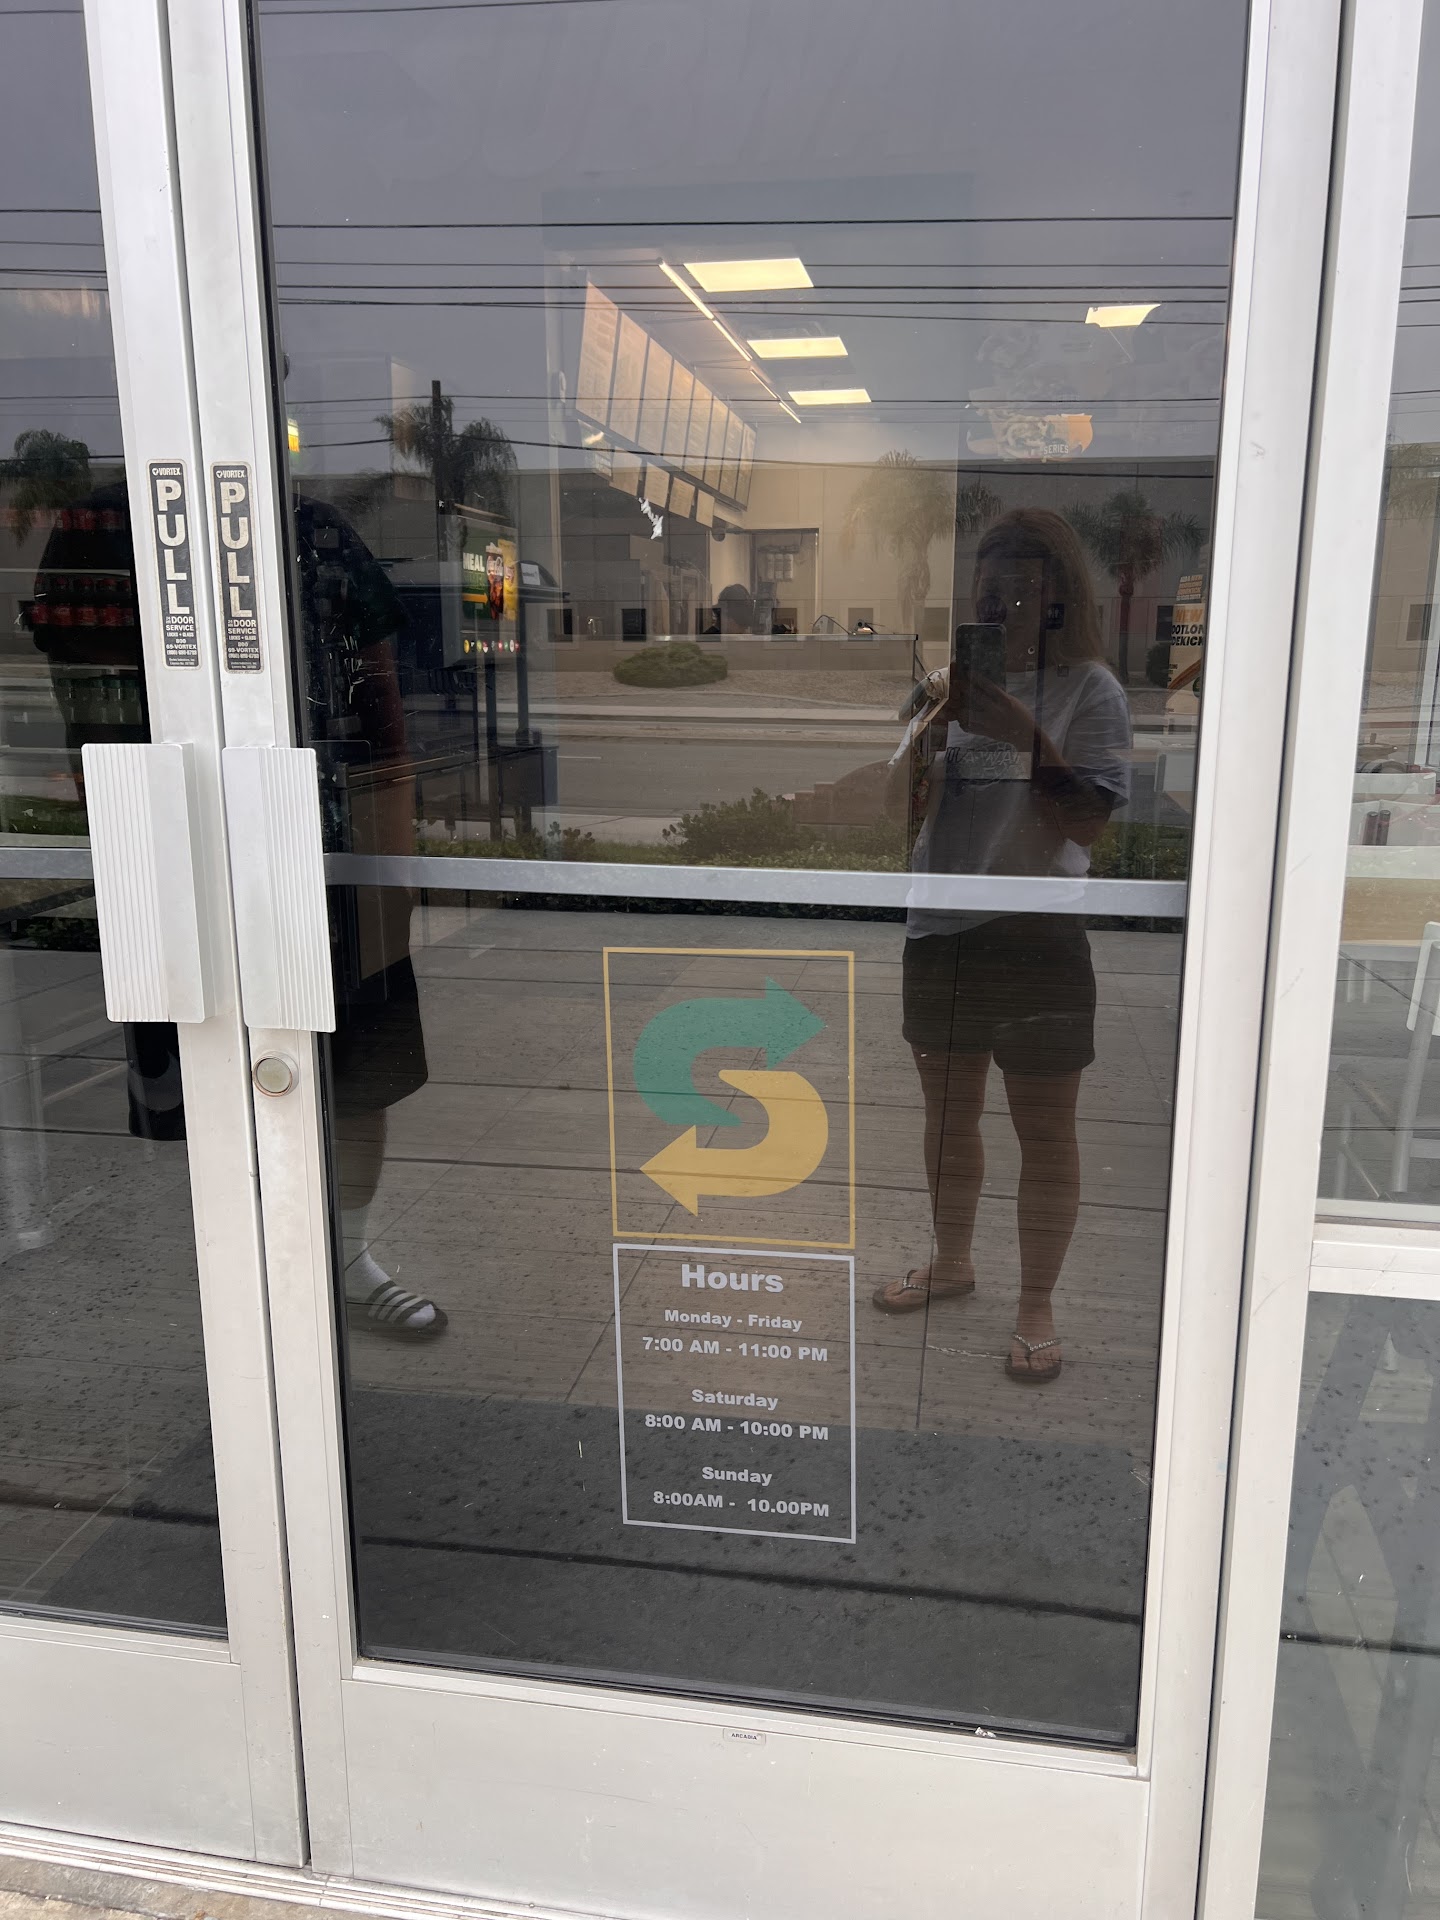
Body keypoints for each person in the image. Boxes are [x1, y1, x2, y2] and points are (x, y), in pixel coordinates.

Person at [28, 482, 447, 1338]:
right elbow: (76, 681)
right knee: (198, 1070)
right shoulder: (96, 526)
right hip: (165, 847)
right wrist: (116, 826)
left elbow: (380, 703)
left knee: (359, 1070)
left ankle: (347, 1261)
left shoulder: (313, 529)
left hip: (326, 844)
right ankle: (237, 1283)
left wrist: (390, 868)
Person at [871, 508, 1131, 1385]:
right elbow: (890, 818)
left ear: (1058, 596)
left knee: (1045, 1132)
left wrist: (1024, 732)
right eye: (988, 586)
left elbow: (1086, 824)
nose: (1002, 601)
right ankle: (952, 1262)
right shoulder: (943, 688)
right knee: (948, 1119)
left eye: (1021, 585)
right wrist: (928, 738)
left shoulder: (1092, 691)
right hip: (939, 929)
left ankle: (1035, 1306)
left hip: (1037, 937)